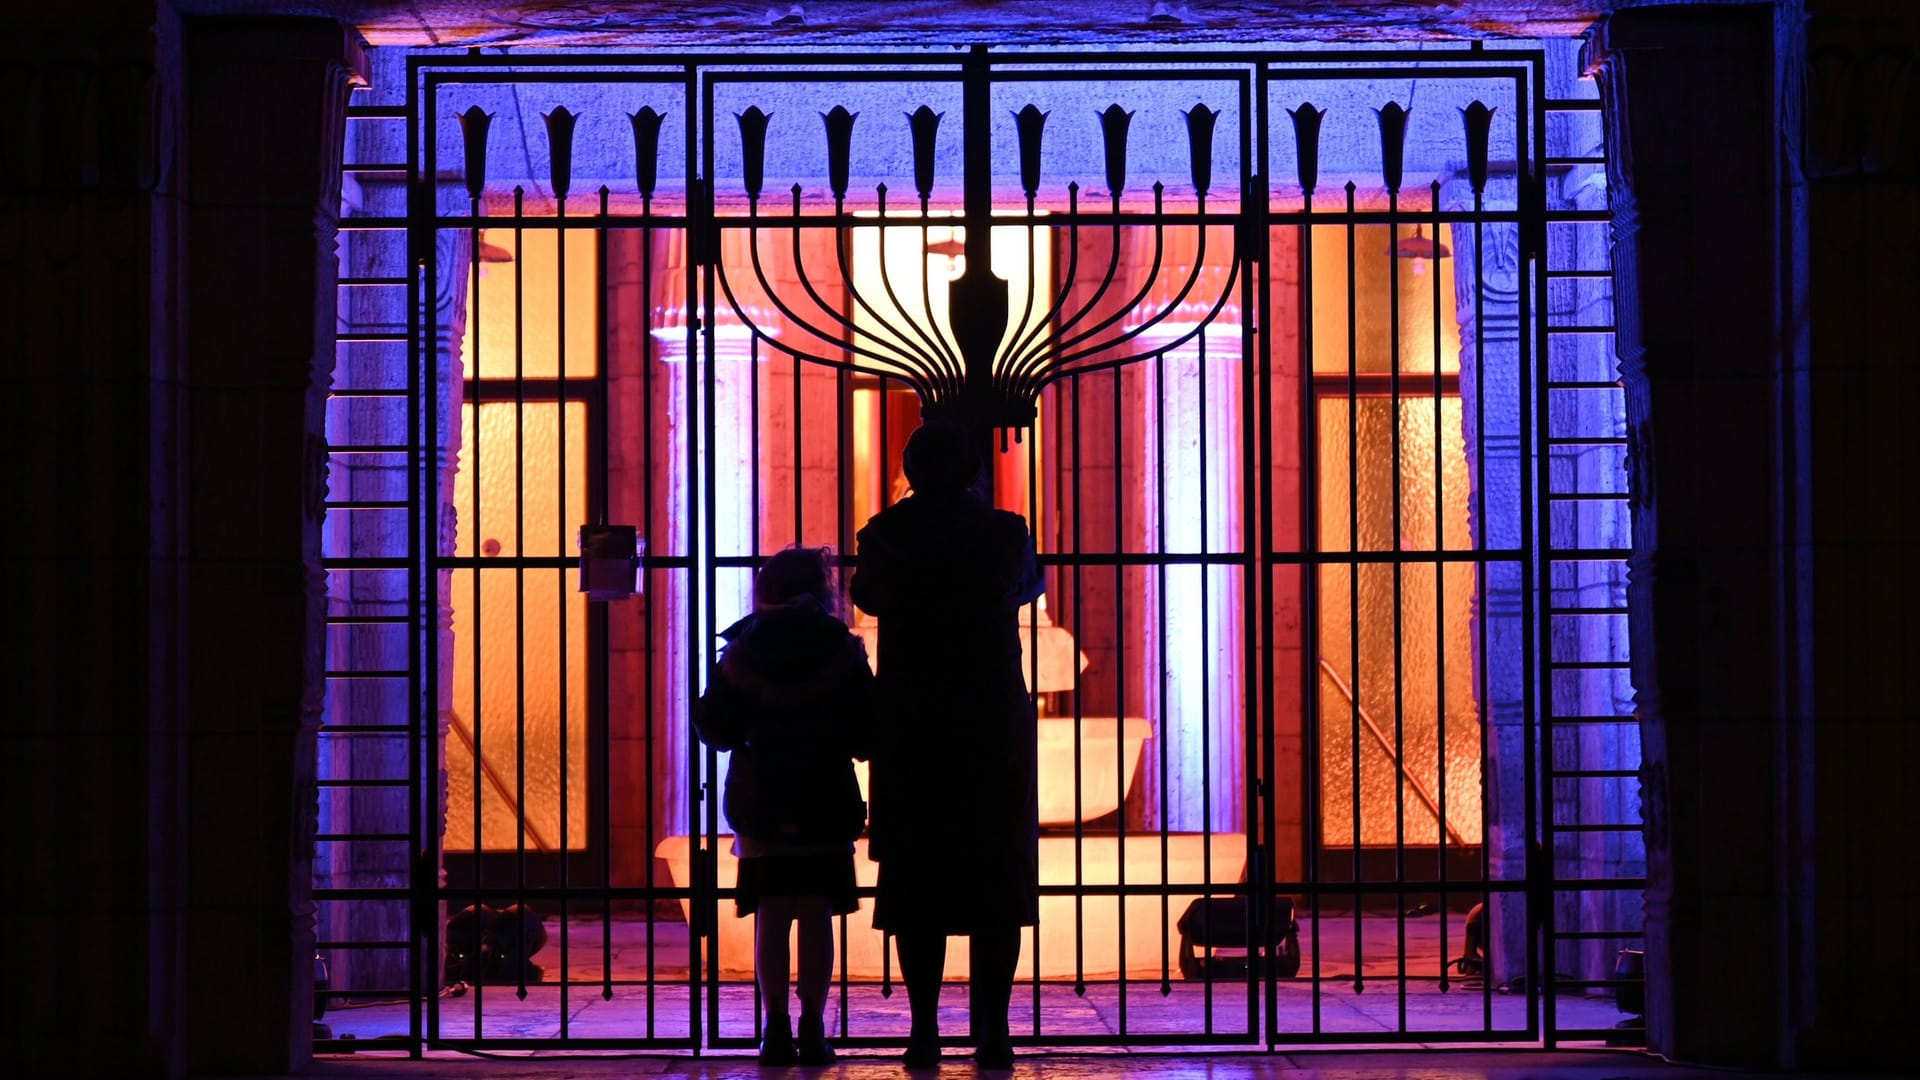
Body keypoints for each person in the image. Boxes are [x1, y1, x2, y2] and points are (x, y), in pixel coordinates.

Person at [850, 419, 1045, 1070]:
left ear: (910, 467)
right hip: (991, 714)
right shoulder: (1004, 531)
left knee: (918, 879)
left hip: (914, 717)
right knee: (997, 874)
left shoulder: (885, 533)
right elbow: (1027, 586)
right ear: (971, 472)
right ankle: (994, 1031)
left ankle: (924, 1029)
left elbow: (867, 595)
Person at [692, 546, 874, 1066]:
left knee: (771, 914)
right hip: (824, 794)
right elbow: (866, 730)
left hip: (760, 796)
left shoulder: (742, 649)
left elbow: (716, 726)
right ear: (821, 590)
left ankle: (774, 1026)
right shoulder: (840, 649)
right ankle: (813, 1024)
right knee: (817, 913)